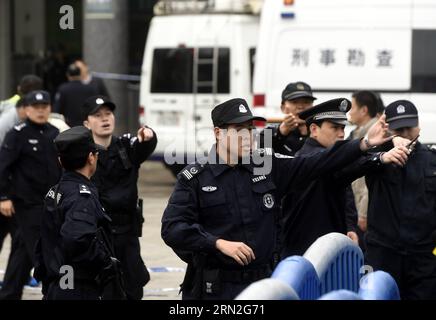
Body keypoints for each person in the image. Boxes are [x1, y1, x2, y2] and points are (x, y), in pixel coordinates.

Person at [161, 97, 399, 300]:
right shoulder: (195, 178)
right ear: (218, 133)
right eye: (238, 130)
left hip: (267, 284)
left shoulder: (267, 167)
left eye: (250, 129)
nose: (247, 136)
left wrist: (365, 143)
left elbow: (319, 162)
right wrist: (216, 243)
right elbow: (173, 228)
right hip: (217, 288)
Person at [279, 98, 407, 258]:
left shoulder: (334, 160)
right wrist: (378, 154)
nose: (341, 134)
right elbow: (345, 165)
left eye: (342, 128)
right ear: (314, 129)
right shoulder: (309, 158)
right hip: (304, 255)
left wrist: (350, 226)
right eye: (334, 127)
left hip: (326, 251)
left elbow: (345, 193)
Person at [34, 126, 123, 300]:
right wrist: (105, 262)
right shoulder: (81, 196)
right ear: (91, 158)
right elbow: (77, 237)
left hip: (57, 284)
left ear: (61, 161)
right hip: (77, 288)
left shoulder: (56, 191)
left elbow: (44, 242)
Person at [82, 95, 157, 300]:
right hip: (99, 235)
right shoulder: (82, 153)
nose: (105, 119)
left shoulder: (125, 146)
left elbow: (144, 146)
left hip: (127, 233)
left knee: (132, 287)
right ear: (87, 123)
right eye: (98, 116)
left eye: (108, 114)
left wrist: (149, 136)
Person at [365, 100, 436, 300]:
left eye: (409, 127)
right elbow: (352, 164)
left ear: (419, 126)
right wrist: (384, 145)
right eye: (398, 129)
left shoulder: (432, 160)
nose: (404, 134)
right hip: (382, 254)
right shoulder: (377, 157)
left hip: (423, 259)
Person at [0, 90, 62, 299]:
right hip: (27, 205)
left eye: (44, 107)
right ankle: (52, 293)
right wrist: (3, 197)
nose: (40, 111)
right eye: (36, 107)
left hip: (51, 204)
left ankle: (9, 293)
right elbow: (3, 168)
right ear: (26, 110)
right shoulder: (17, 134)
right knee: (43, 250)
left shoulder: (55, 134)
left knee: (23, 252)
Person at [347, 91, 381, 251]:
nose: (349, 112)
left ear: (364, 110)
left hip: (365, 209)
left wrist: (363, 213)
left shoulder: (375, 135)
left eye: (352, 107)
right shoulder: (357, 133)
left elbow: (371, 176)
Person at [260, 81, 316, 155]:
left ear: (313, 107)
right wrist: (281, 132)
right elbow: (258, 155)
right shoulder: (270, 132)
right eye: (294, 102)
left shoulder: (321, 132)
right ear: (283, 108)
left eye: (306, 102)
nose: (301, 107)